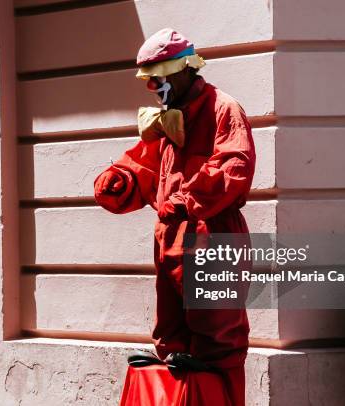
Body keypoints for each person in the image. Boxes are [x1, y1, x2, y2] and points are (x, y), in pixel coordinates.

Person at [94, 28, 256, 405]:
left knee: (219, 340)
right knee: (171, 339)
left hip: (212, 237)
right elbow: (146, 166)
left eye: (158, 77)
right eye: (148, 80)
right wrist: (121, 179)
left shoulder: (222, 108)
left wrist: (187, 199)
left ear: (184, 69)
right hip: (170, 239)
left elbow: (235, 166)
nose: (153, 86)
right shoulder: (168, 119)